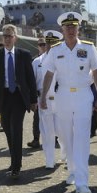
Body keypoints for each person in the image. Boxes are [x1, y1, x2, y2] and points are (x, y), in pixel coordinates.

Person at [41, 12, 97, 193]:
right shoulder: (55, 50)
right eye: (67, 27)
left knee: (82, 138)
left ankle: (82, 183)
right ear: (62, 29)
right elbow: (49, 74)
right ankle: (72, 170)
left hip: (83, 95)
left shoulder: (88, 48)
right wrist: (43, 96)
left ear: (78, 28)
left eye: (73, 26)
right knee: (66, 137)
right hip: (63, 95)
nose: (70, 29)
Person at [0, 24, 38, 179]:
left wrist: (33, 100)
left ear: (15, 38)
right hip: (3, 96)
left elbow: (30, 79)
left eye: (9, 36)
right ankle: (14, 159)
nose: (7, 39)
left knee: (16, 129)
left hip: (19, 96)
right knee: (6, 128)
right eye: (4, 36)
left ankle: (16, 167)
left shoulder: (24, 55)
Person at [33, 30, 63, 169]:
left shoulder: (64, 59)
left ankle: (65, 154)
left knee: (63, 131)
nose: (50, 46)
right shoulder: (37, 62)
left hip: (61, 100)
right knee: (47, 133)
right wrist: (34, 100)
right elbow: (33, 82)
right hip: (44, 100)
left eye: (53, 43)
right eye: (48, 43)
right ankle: (49, 161)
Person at [27, 38, 48, 149]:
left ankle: (55, 138)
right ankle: (36, 139)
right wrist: (33, 99)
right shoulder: (35, 61)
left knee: (55, 118)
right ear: (38, 46)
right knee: (37, 119)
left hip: (53, 95)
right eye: (41, 45)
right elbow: (32, 81)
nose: (43, 46)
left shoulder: (55, 59)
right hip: (40, 95)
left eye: (45, 44)